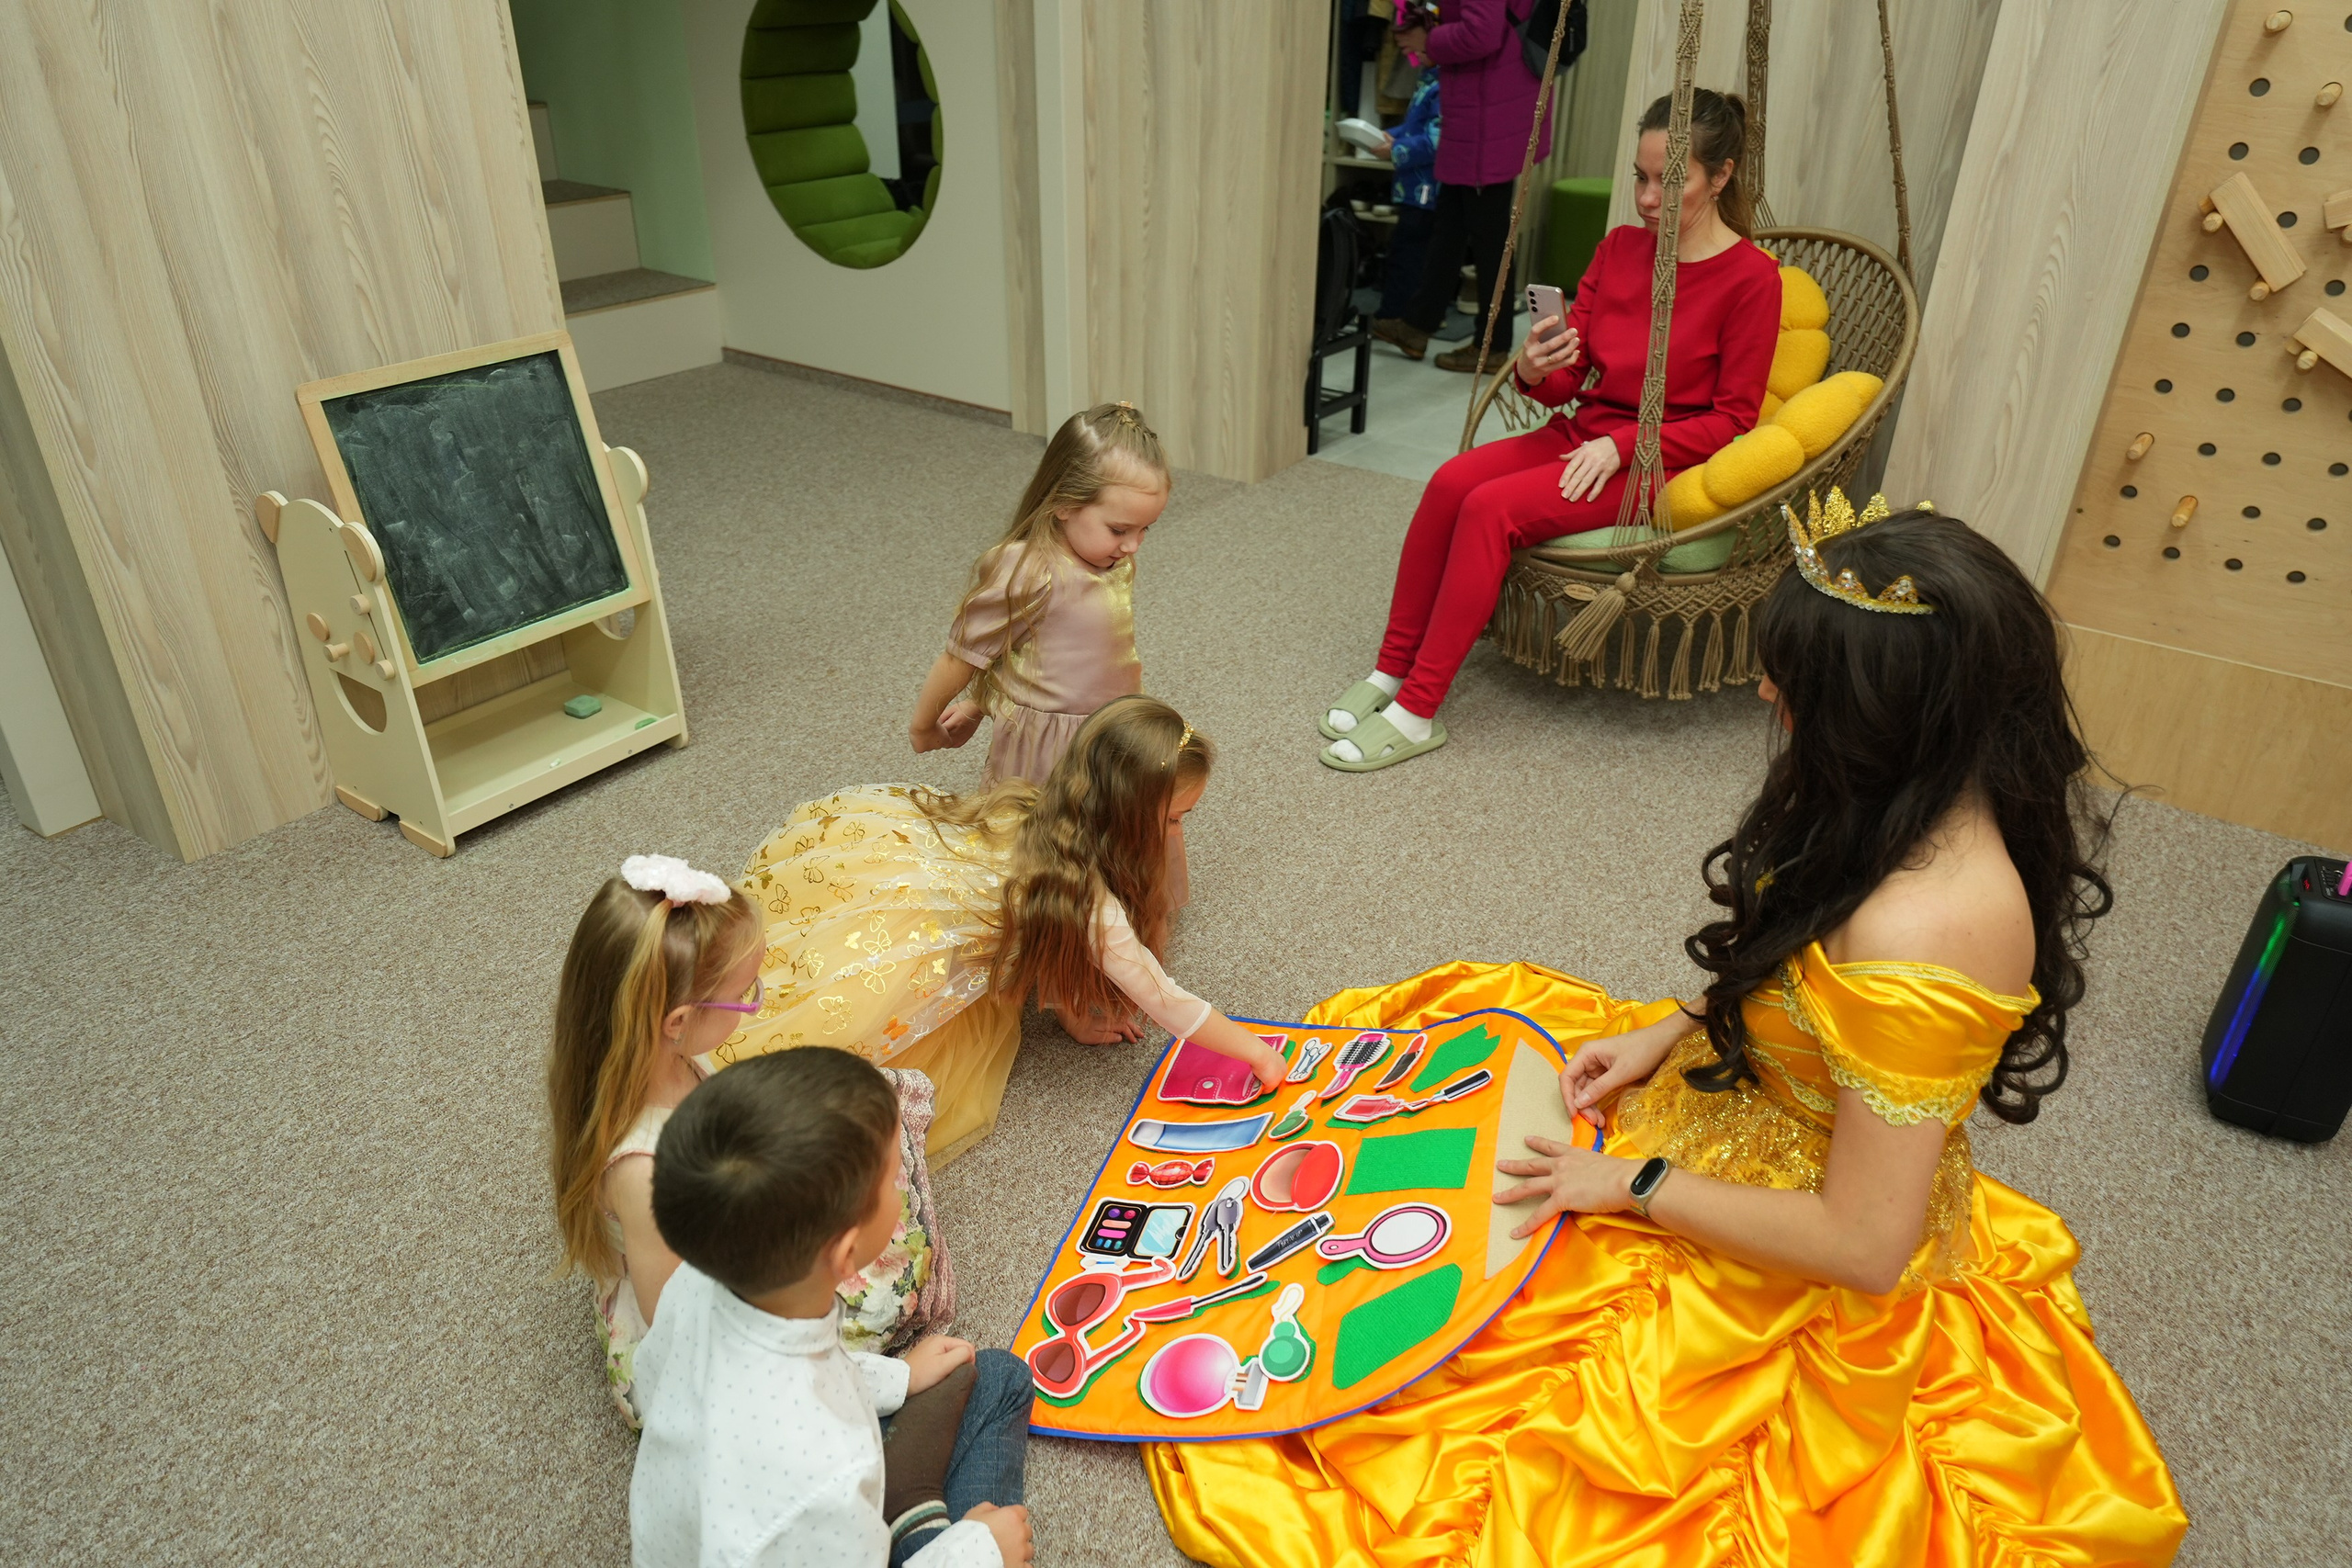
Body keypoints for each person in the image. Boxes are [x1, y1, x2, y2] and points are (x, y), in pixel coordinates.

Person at [1149, 501, 2189, 1566]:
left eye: (1790, 677)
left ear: (1879, 712)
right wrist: (1672, 1027)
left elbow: (1865, 1248)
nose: (1764, 690)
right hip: (1753, 1108)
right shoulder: (1907, 801)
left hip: (1800, 1246)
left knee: (1482, 1387)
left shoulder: (1924, 933)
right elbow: (1805, 955)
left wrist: (1634, 1188)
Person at [1326, 88, 1778, 771]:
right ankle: (1392, 670)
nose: (1648, 198)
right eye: (1641, 176)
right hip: (1586, 433)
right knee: (1450, 481)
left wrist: (1622, 445)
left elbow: (1734, 421)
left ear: (1721, 176)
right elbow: (1572, 381)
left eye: (1670, 180)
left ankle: (1418, 709)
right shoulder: (1620, 248)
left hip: (1657, 462)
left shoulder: (1753, 280)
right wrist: (1539, 369)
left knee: (1490, 508)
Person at [714, 695, 1285, 1164]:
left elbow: (1050, 934)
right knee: (809, 1058)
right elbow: (1166, 1000)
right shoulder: (1091, 903)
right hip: (911, 942)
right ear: (1127, 820)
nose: (1179, 836)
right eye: (1174, 821)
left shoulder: (1052, 811)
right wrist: (1256, 1054)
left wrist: (1068, 1008)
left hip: (906, 876)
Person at [630, 1049, 1035, 1568]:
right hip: (823, 1529)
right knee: (1005, 1388)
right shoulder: (826, 1466)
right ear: (848, 1256)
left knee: (993, 1373)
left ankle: (913, 1518)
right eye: (895, 1177)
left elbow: (661, 1379)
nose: (904, 1184)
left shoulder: (696, 1280)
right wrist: (977, 1551)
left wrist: (899, 1377)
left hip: (766, 1524)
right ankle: (923, 1536)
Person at [545, 852, 764, 1427]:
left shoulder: (673, 1058)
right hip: (687, 1344)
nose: (752, 1004)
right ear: (677, 1022)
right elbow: (679, 1327)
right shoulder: (645, 1172)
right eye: (747, 994)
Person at [909, 401, 1169, 789]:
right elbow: (963, 655)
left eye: (1146, 529)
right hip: (1048, 749)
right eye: (1119, 530)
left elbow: (1048, 656)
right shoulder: (1031, 571)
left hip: (1111, 727)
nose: (1133, 545)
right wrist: (923, 725)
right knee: (1034, 837)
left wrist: (979, 705)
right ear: (1063, 502)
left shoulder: (1112, 562)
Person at [1371, 0, 1552, 373]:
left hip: (1489, 104)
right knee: (1451, 221)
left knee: (1489, 235)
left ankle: (1492, 346)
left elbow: (1481, 33)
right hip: (1480, 100)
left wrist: (1430, 38)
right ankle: (1417, 326)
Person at [1374, 68, 1442, 321]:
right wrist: (1394, 136)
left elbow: (1436, 140)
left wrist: (1396, 147)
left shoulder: (1442, 85)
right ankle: (1393, 315)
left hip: (1425, 188)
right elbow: (1418, 128)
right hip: (1413, 186)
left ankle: (1396, 317)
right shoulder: (1429, 80)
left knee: (1410, 254)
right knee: (1404, 251)